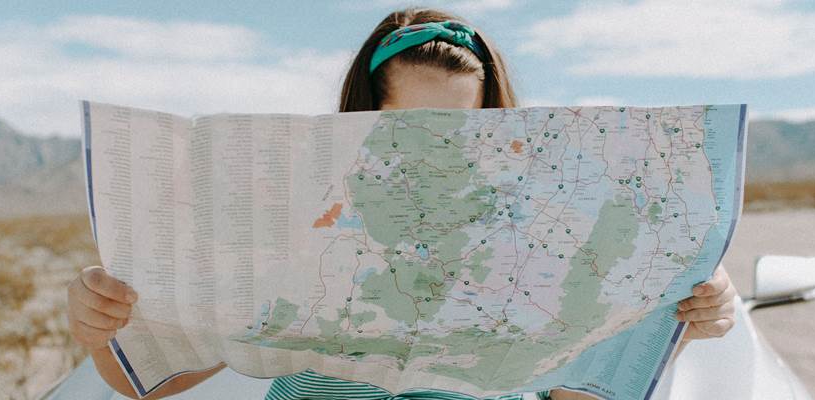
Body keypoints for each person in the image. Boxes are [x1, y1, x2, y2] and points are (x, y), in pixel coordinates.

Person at [66, 7, 737, 400]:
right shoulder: (295, 214)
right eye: (406, 130)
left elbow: (575, 394)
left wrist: (670, 321)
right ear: (361, 119)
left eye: (459, 131)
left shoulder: (554, 232)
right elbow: (152, 379)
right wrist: (102, 329)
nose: (433, 153)